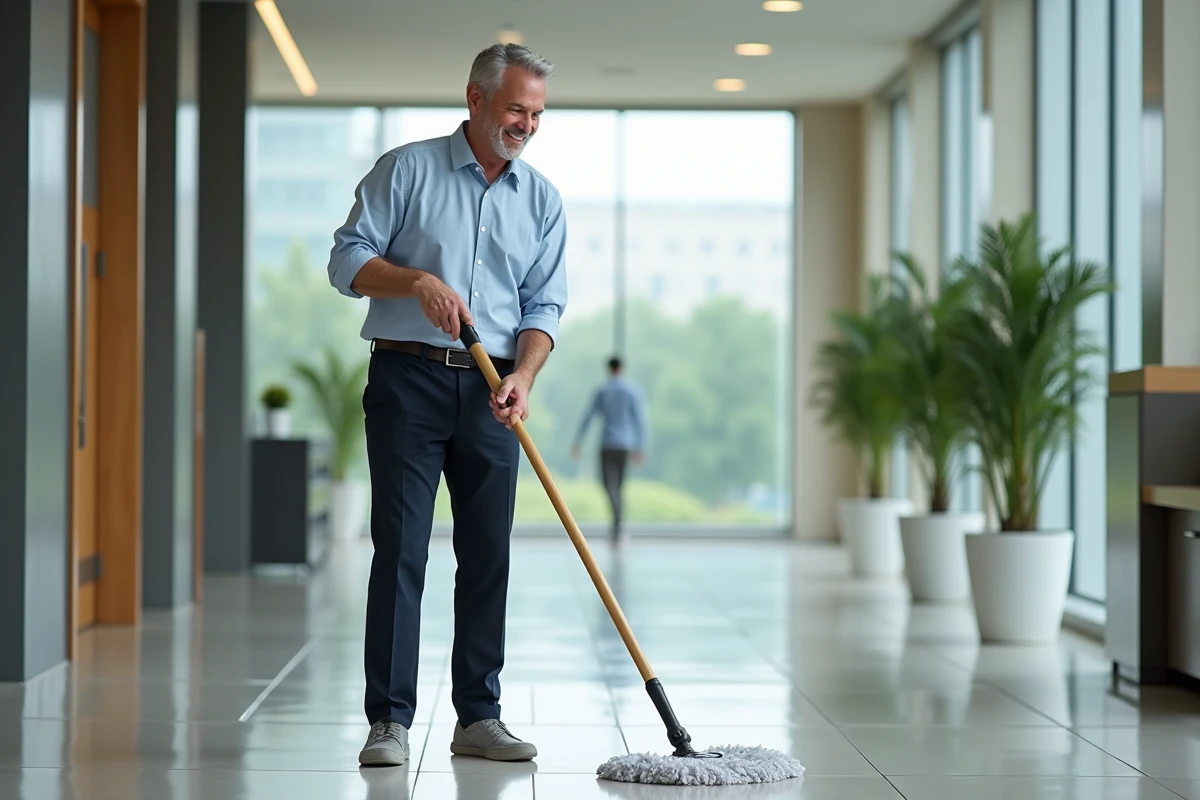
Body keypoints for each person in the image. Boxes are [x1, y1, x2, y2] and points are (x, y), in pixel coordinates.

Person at [325, 43, 567, 768]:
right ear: (476, 98)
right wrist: (415, 282)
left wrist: (524, 376)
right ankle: (389, 721)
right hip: (408, 379)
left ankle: (479, 717)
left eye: (537, 114)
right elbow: (346, 259)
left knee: (488, 553)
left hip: (494, 392)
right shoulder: (407, 169)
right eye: (516, 109)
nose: (526, 125)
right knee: (401, 548)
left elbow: (543, 306)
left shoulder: (542, 200)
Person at [571, 356, 649, 543]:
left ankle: (617, 528)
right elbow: (640, 420)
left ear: (609, 369)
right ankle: (618, 528)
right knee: (618, 487)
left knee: (609, 486)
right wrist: (640, 446)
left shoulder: (602, 391)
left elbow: (588, 417)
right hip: (625, 444)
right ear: (622, 368)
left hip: (607, 444)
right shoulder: (632, 391)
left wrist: (578, 441)